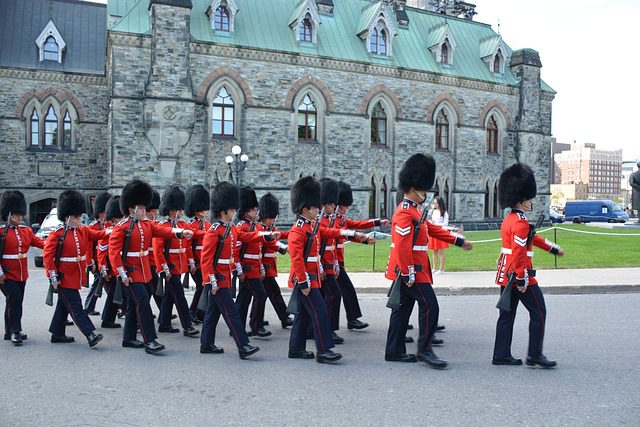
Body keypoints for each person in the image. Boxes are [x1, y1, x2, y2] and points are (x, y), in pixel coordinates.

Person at [384, 154, 472, 369]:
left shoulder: (415, 211)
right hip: (411, 269)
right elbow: (403, 246)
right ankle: (424, 350)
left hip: (413, 268)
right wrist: (408, 273)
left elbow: (431, 229)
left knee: (402, 310)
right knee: (430, 306)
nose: (426, 193)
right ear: (413, 188)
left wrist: (458, 241)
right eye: (423, 189)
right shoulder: (405, 213)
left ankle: (394, 351)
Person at [287, 176, 374, 364]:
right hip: (306, 279)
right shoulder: (298, 230)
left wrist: (354, 234)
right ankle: (324, 350)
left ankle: (296, 348)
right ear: (305, 208)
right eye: (315, 207)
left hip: (312, 277)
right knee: (319, 312)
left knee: (302, 314)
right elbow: (296, 260)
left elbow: (330, 232)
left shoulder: (312, 225)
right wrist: (303, 282)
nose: (318, 209)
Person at [492, 163, 565, 368]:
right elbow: (519, 251)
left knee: (507, 314)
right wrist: (522, 278)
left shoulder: (511, 219)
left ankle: (501, 354)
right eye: (529, 198)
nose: (531, 201)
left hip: (507, 273)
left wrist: (552, 248)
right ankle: (534, 354)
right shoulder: (521, 222)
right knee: (539, 312)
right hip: (519, 274)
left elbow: (530, 239)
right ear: (523, 200)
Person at [109, 180, 194, 354]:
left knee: (135, 305)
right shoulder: (121, 228)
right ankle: (150, 340)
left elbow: (162, 231)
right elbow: (114, 254)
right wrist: (122, 274)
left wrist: (179, 233)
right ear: (131, 209)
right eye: (141, 208)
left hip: (144, 272)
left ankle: (129, 338)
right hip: (130, 273)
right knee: (143, 304)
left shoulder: (146, 225)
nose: (144, 210)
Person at [200, 181, 276, 358]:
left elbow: (247, 236)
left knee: (213, 312)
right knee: (232, 312)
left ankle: (206, 343)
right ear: (224, 210)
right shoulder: (214, 231)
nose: (235, 212)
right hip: (217, 279)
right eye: (232, 209)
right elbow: (206, 259)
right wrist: (211, 280)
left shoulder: (231, 229)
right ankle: (243, 345)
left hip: (225, 276)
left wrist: (266, 235)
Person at [44, 190, 105, 348]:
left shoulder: (82, 231)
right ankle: (90, 334)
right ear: (67, 217)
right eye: (77, 216)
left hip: (76, 275)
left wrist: (115, 231)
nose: (80, 219)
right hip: (64, 277)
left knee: (64, 306)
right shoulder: (57, 234)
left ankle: (57, 333)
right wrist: (53, 277)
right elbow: (48, 258)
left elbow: (100, 235)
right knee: (76, 307)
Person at [334, 181, 388, 331]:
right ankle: (335, 325)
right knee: (337, 293)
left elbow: (356, 226)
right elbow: (342, 235)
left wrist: (377, 222)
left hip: (338, 261)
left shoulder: (341, 219)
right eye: (343, 206)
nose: (345, 209)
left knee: (343, 291)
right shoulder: (332, 220)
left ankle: (351, 319)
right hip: (332, 261)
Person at [153, 186, 199, 338]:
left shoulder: (182, 225)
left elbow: (187, 246)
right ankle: (187, 326)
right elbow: (158, 251)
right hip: (170, 266)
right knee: (179, 296)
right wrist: (164, 268)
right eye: (177, 209)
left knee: (169, 296)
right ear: (170, 209)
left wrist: (191, 262)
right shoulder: (162, 227)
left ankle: (164, 323)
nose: (180, 212)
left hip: (179, 265)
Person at [0, 191, 45, 346]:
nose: (20, 218)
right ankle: (15, 331)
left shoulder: (26, 231)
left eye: (20, 215)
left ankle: (8, 330)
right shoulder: (1, 232)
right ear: (9, 214)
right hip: (6, 273)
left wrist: (57, 244)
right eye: (16, 215)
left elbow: (40, 243)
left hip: (21, 273)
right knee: (15, 301)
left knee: (13, 301)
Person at [234, 186, 271, 338]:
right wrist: (239, 270)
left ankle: (237, 327)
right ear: (246, 212)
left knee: (244, 299)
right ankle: (256, 325)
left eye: (256, 209)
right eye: (253, 210)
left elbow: (259, 250)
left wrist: (261, 267)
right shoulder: (241, 227)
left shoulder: (257, 226)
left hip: (255, 267)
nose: (256, 212)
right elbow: (235, 251)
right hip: (246, 269)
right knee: (260, 295)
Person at [253, 192, 292, 330]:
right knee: (271, 293)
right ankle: (283, 317)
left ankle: (256, 318)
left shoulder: (271, 229)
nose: (273, 220)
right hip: (262, 266)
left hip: (269, 266)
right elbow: (272, 243)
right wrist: (284, 247)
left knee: (264, 294)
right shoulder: (261, 230)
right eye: (270, 218)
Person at [318, 178, 345, 344]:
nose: (334, 206)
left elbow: (332, 246)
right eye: (331, 203)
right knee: (334, 295)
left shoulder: (328, 219)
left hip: (329, 264)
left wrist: (335, 263)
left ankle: (318, 329)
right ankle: (327, 329)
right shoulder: (320, 221)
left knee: (324, 297)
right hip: (321, 265)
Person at [95, 196, 124, 328]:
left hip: (116, 268)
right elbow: (102, 252)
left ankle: (107, 320)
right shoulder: (107, 229)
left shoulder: (118, 227)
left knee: (113, 295)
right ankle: (132, 320)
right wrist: (104, 270)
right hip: (109, 270)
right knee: (118, 295)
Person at [185, 184, 211, 324]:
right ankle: (191, 311)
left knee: (205, 287)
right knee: (201, 287)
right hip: (195, 261)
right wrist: (191, 263)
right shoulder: (190, 225)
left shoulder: (207, 224)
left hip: (205, 262)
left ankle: (200, 312)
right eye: (202, 208)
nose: (205, 211)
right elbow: (188, 245)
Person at [84, 192, 112, 316]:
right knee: (98, 283)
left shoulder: (108, 225)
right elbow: (88, 247)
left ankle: (119, 307)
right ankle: (88, 306)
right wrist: (90, 262)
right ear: (101, 212)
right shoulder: (93, 226)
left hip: (106, 261)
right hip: (97, 261)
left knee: (107, 286)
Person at [429, 196, 450, 275]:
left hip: (440, 233)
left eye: (436, 203)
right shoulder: (434, 212)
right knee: (434, 251)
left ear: (439, 203)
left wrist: (436, 224)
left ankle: (441, 269)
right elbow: (432, 220)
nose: (434, 204)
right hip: (434, 232)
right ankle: (434, 268)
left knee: (441, 252)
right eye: (434, 203)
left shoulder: (444, 213)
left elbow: (445, 224)